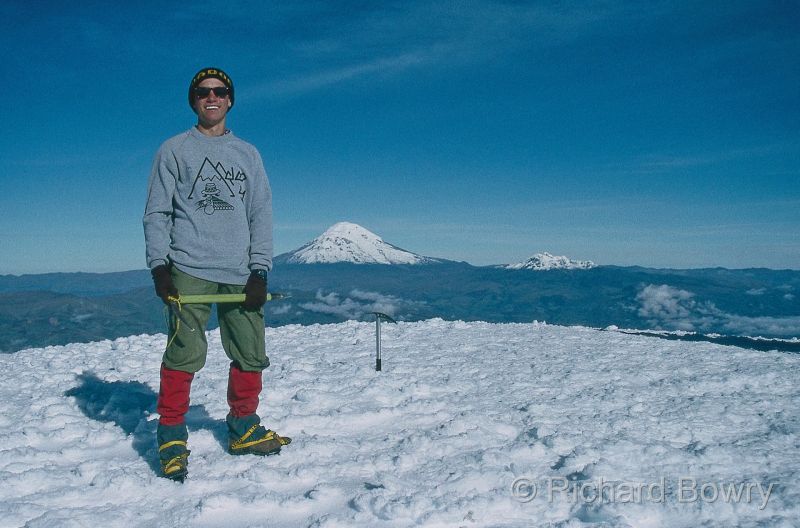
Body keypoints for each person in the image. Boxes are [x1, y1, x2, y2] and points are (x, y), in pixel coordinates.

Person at [143, 67, 290, 482]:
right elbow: (157, 212)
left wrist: (260, 269)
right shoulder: (173, 150)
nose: (212, 97)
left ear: (230, 99)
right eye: (203, 92)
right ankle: (171, 435)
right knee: (184, 354)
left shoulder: (248, 154)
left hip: (241, 272)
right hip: (188, 268)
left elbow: (261, 212)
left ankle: (243, 428)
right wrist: (159, 266)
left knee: (249, 351)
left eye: (220, 91)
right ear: (193, 99)